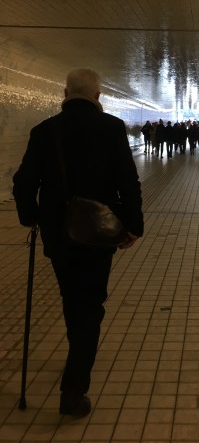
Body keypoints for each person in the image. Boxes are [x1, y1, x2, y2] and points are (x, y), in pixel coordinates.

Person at [12, 68, 144, 418]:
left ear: (64, 93)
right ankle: (73, 390)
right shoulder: (111, 128)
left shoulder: (44, 131)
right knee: (90, 305)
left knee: (72, 298)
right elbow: (128, 181)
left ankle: (77, 356)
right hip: (97, 232)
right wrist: (133, 226)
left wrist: (31, 217)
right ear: (97, 97)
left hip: (58, 234)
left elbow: (23, 183)